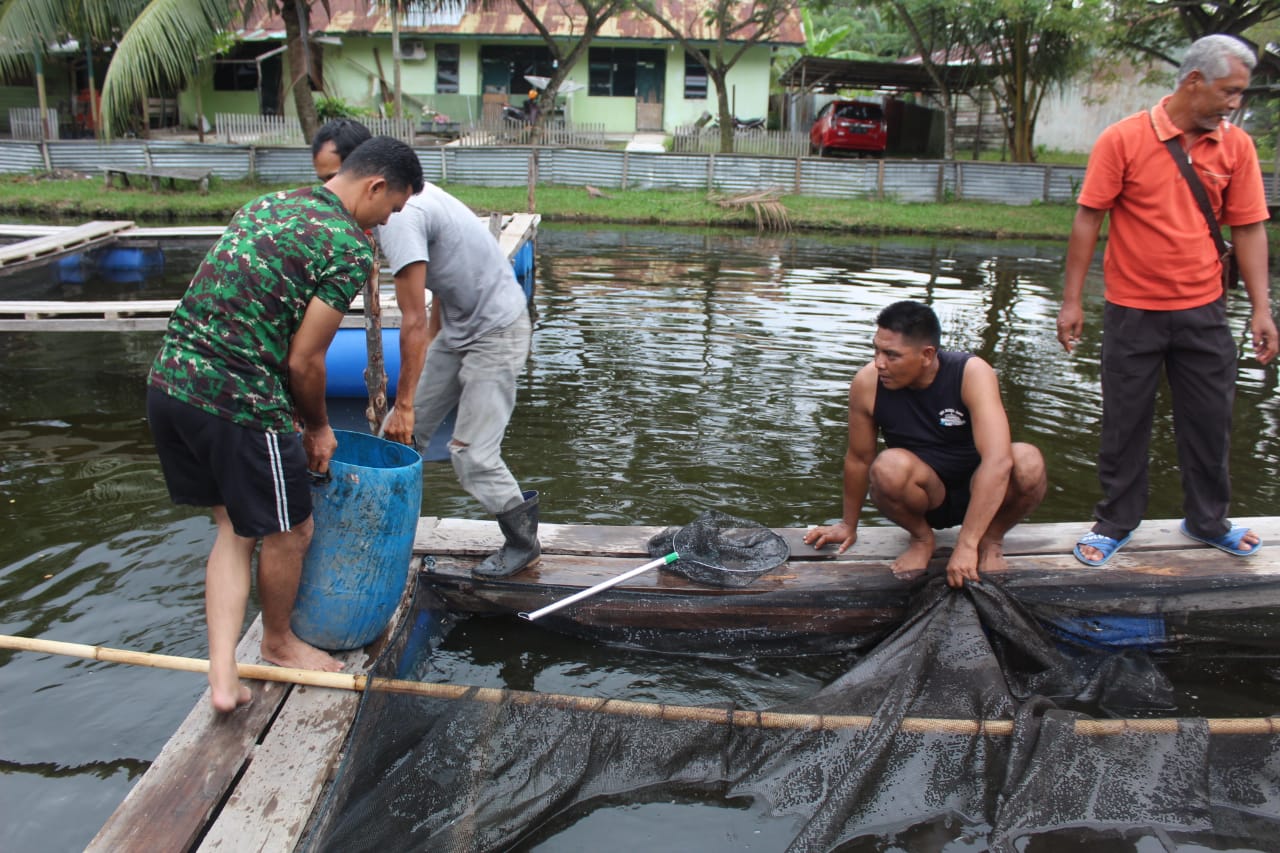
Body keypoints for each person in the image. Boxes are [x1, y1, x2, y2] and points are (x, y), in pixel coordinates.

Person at [147, 137, 425, 713]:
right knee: (291, 529)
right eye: (393, 208)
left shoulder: (267, 204)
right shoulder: (346, 245)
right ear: (375, 187)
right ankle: (277, 641)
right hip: (238, 400)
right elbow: (305, 359)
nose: (388, 221)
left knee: (233, 529)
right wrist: (318, 429)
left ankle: (223, 680)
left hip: (171, 385)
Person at [1057, 34, 1277, 567]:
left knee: (1210, 420)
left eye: (1241, 94)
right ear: (1193, 81)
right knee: (1124, 421)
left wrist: (1263, 307)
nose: (1235, 104)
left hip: (1204, 311)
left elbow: (1247, 229)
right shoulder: (1124, 139)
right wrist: (1071, 301)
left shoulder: (1236, 146)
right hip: (1133, 309)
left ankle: (1207, 521)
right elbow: (1090, 217)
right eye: (1229, 91)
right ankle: (1115, 521)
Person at [804, 301, 1046, 588]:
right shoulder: (868, 382)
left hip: (983, 491)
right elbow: (859, 458)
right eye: (877, 350)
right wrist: (848, 525)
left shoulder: (971, 372)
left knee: (1027, 460)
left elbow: (997, 461)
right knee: (888, 466)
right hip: (925, 494)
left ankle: (990, 539)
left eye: (892, 355)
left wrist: (966, 545)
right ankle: (921, 538)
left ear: (927, 355)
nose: (879, 362)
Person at [376, 182, 539, 579]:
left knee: (471, 454)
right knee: (395, 439)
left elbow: (411, 319)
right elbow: (443, 284)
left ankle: (523, 543)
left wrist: (404, 404)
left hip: (498, 330)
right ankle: (383, 531)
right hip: (457, 326)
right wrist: (433, 356)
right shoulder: (409, 197)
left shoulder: (398, 216)